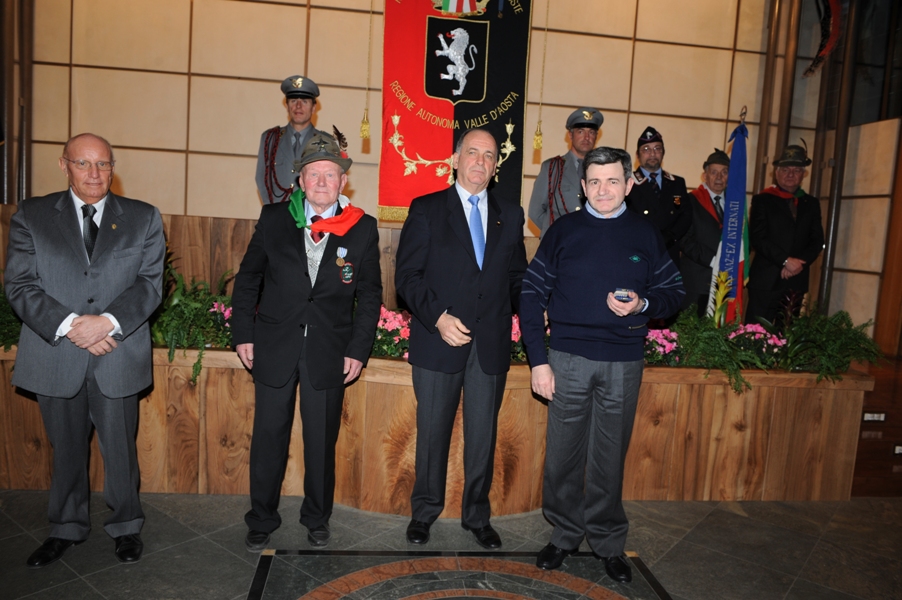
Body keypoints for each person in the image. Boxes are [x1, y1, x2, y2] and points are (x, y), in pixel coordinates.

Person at [519, 146, 684, 582]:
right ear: (583, 186)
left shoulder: (645, 234)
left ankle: (608, 542)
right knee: (562, 457)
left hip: (623, 362)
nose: (603, 189)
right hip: (567, 360)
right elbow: (531, 294)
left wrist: (643, 304)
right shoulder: (563, 231)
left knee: (609, 459)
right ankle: (564, 535)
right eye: (594, 181)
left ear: (628, 184)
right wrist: (539, 362)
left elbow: (674, 292)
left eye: (612, 181)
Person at [5, 133, 166, 567]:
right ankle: (66, 528)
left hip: (117, 351)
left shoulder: (143, 217)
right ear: (64, 165)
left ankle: (126, 526)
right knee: (66, 450)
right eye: (83, 164)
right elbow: (20, 284)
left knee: (121, 449)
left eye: (103, 164)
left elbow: (150, 284)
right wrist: (72, 326)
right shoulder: (33, 215)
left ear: (113, 167)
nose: (94, 174)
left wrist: (106, 322)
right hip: (56, 352)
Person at [233, 133, 382, 551]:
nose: (321, 182)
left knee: (320, 442)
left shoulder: (362, 227)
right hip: (274, 345)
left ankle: (317, 517)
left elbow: (370, 295)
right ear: (300, 180)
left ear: (342, 181)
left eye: (330, 174)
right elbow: (248, 280)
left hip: (329, 351)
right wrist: (243, 334)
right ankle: (262, 517)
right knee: (268, 438)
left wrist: (358, 349)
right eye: (313, 174)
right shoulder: (273, 218)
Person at [395, 128, 527, 549]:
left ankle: (477, 516)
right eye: (473, 153)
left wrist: (534, 308)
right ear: (455, 160)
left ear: (495, 166)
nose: (480, 162)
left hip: (489, 345)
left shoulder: (511, 214)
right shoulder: (427, 209)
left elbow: (517, 278)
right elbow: (406, 277)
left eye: (489, 156)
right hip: (438, 341)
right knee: (432, 433)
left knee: (483, 437)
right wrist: (437, 317)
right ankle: (424, 512)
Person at [746, 144, 824, 324]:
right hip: (766, 280)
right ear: (776, 172)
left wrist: (797, 264)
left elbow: (817, 240)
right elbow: (758, 238)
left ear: (803, 174)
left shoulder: (811, 203)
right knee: (755, 333)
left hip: (796, 280)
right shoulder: (762, 200)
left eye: (796, 170)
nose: (790, 174)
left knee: (787, 333)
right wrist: (785, 261)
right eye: (785, 170)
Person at [527, 107, 604, 238]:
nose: (586, 137)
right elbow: (535, 212)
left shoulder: (603, 170)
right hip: (560, 241)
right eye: (581, 131)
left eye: (591, 132)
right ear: (570, 135)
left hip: (592, 240)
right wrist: (557, 232)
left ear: (596, 136)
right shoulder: (552, 168)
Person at [255, 75, 327, 204]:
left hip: (311, 213)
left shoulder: (326, 142)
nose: (298, 106)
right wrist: (272, 210)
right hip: (277, 211)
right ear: (287, 105)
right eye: (293, 101)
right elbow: (261, 178)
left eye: (304, 101)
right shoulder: (270, 139)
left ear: (313, 108)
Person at [625, 126, 690, 267]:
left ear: (663, 153)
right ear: (637, 155)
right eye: (646, 149)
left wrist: (670, 236)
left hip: (669, 255)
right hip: (638, 254)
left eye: (657, 148)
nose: (652, 154)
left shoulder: (677, 183)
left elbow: (685, 216)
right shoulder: (627, 183)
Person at [680, 149, 730, 315]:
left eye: (724, 173)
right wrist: (713, 260)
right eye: (714, 172)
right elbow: (685, 239)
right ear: (704, 176)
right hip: (697, 281)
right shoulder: (690, 200)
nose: (719, 177)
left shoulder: (735, 205)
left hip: (726, 282)